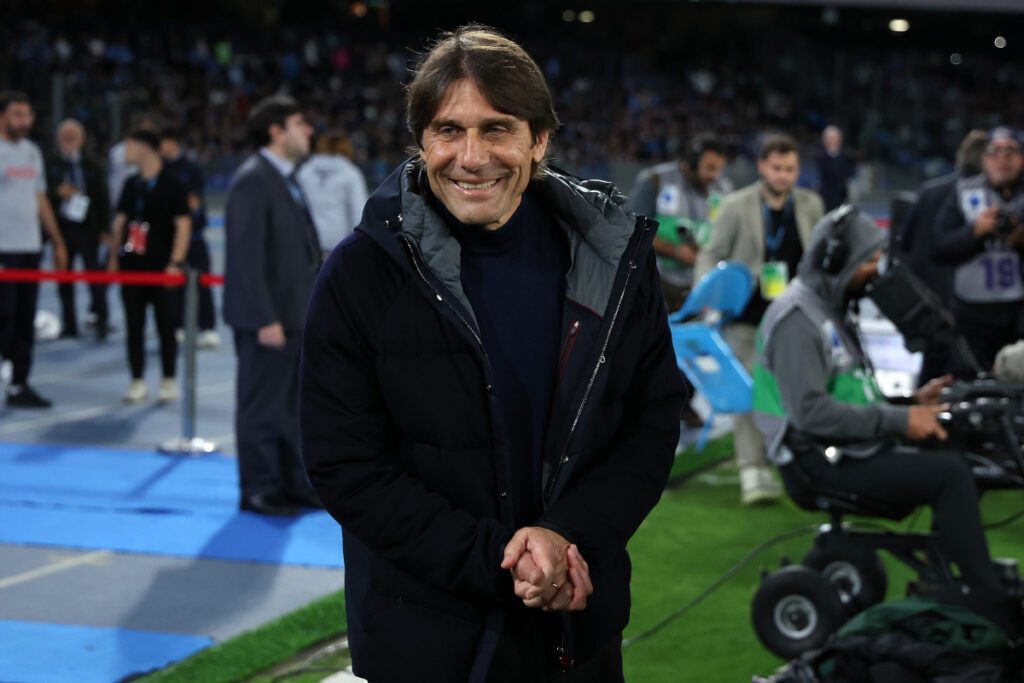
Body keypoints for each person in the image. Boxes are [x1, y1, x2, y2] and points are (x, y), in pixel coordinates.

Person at [300, 26, 685, 682]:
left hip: (577, 626)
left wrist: (570, 535)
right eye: (448, 130)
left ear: (539, 140)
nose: (471, 157)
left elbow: (650, 421)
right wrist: (503, 562)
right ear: (421, 140)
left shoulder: (612, 261)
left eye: (497, 129)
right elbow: (345, 463)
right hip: (425, 640)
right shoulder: (360, 273)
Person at [753, 206, 1018, 631]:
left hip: (841, 445)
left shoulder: (825, 307)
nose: (874, 272)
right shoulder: (797, 321)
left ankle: (950, 579)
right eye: (868, 261)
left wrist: (910, 403)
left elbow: (849, 395)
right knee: (950, 474)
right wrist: (901, 421)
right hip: (815, 460)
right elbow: (811, 413)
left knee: (958, 445)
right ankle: (989, 602)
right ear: (834, 262)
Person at [696, 133, 825, 505]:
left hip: (794, 318)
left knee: (796, 392)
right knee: (750, 392)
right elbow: (711, 253)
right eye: (777, 168)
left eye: (790, 169)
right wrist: (706, 296)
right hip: (744, 316)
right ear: (762, 167)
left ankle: (792, 463)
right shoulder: (736, 205)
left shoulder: (811, 204)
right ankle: (752, 470)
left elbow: (819, 258)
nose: (784, 175)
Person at [223, 95, 322, 517]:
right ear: (276, 131)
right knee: (263, 406)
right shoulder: (254, 179)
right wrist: (264, 318)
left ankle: (292, 482)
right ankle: (260, 487)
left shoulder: (283, 178)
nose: (309, 131)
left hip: (292, 316)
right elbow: (246, 258)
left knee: (291, 409)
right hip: (270, 320)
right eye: (300, 123)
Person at [630, 132, 731, 429]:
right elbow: (633, 228)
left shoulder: (723, 190)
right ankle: (648, 411)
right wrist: (676, 251)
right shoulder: (656, 181)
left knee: (689, 350)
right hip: (656, 282)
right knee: (652, 350)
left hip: (697, 286)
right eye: (709, 167)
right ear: (690, 162)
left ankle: (683, 404)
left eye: (718, 168)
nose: (714, 175)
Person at [107, 129, 191, 404]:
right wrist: (113, 259)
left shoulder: (173, 184)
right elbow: (120, 222)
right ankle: (137, 380)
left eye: (129, 145)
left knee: (167, 325)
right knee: (134, 326)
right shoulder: (131, 184)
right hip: (132, 266)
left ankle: (168, 379)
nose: (124, 152)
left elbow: (183, 225)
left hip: (162, 267)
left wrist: (175, 262)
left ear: (144, 148)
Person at [897, 129, 987, 383]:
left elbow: (904, 243)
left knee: (931, 378)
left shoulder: (927, 192)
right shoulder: (987, 203)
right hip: (971, 312)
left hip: (927, 306)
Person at [932, 125, 1024, 371]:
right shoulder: (964, 191)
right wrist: (973, 232)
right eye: (994, 151)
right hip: (971, 314)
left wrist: (1020, 240)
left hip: (1018, 315)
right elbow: (938, 247)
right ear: (984, 159)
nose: (1002, 158)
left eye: (1011, 151)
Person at [0, 91, 68, 408]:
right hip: (3, 248)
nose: (25, 121)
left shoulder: (31, 152)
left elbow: (40, 199)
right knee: (5, 315)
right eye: (18, 114)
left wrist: (57, 241)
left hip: (30, 246)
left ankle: (19, 384)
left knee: (25, 318)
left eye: (28, 115)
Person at [47, 118, 110, 340]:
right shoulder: (51, 166)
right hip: (62, 228)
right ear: (58, 139)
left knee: (95, 276)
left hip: (88, 228)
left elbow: (103, 198)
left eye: (73, 136)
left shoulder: (92, 165)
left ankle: (101, 320)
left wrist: (104, 230)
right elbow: (42, 195)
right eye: (65, 136)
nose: (69, 140)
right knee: (64, 278)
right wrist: (57, 192)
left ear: (82, 139)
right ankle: (69, 324)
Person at [160, 128, 220, 350]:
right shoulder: (161, 169)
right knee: (173, 283)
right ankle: (177, 325)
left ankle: (207, 327)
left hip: (193, 235)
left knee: (202, 281)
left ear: (171, 141)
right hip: (170, 235)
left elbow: (194, 202)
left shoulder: (192, 169)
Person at [295, 128, 369, 258]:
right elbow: (359, 215)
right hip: (338, 249)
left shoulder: (305, 172)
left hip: (307, 246)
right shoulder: (351, 174)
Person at [817, 125, 855, 211]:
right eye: (830, 138)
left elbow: (849, 172)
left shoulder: (846, 156)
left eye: (835, 138)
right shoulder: (820, 157)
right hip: (826, 197)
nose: (833, 141)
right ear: (824, 140)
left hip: (842, 196)